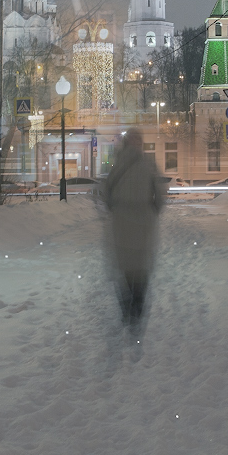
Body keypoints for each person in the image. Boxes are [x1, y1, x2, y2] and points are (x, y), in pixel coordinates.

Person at [102, 129, 166, 327]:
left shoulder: (115, 163)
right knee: (140, 268)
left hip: (121, 223)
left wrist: (116, 209)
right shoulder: (149, 164)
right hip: (143, 223)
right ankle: (136, 309)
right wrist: (151, 211)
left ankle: (126, 309)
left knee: (125, 267)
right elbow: (160, 193)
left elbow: (105, 191)